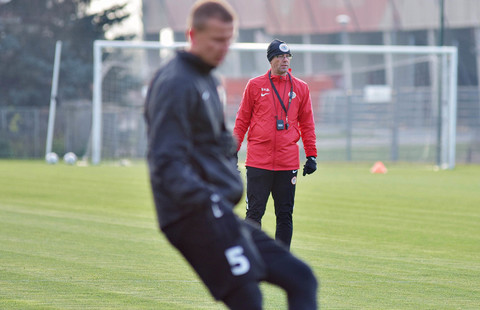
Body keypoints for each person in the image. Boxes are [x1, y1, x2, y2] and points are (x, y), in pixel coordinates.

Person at [144, 1, 318, 309]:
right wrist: (208, 198)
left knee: (301, 277)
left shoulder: (208, 79)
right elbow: (165, 163)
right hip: (191, 217)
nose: (223, 47)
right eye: (216, 40)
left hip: (217, 210)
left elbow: (217, 141)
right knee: (248, 298)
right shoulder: (175, 83)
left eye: (228, 39)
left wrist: (227, 159)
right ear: (192, 35)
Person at [233, 39, 318, 250]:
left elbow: (307, 124)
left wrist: (312, 155)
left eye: (288, 56)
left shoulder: (301, 88)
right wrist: (232, 151)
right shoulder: (254, 85)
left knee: (285, 214)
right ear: (271, 59)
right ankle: (251, 258)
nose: (285, 60)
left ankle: (283, 261)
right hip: (258, 161)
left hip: (287, 162)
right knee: (253, 214)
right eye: (280, 56)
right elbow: (242, 120)